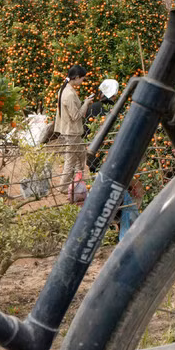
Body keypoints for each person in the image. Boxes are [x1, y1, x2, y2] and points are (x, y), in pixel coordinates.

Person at [84, 79, 138, 237]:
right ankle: (121, 231)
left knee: (102, 194)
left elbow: (86, 132)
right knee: (118, 196)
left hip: (94, 158)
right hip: (112, 159)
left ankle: (105, 230)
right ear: (114, 94)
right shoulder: (116, 110)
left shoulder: (93, 107)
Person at [53, 65, 94, 193]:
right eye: (82, 79)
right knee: (71, 160)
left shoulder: (64, 89)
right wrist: (86, 103)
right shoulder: (69, 94)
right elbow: (76, 116)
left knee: (80, 157)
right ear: (76, 78)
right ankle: (64, 187)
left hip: (70, 131)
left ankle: (77, 182)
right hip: (72, 132)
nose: (82, 82)